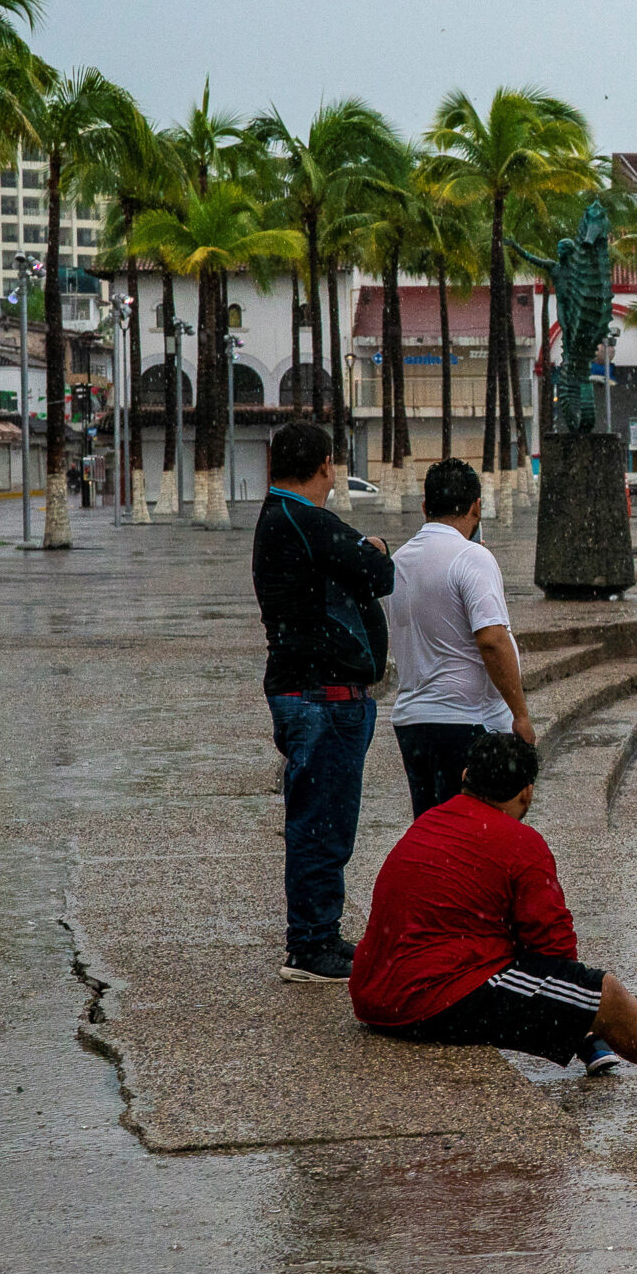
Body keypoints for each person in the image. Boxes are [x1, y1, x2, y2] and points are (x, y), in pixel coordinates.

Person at [351, 734, 637, 1104]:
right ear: (527, 792)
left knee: (553, 981)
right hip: (426, 1001)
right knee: (603, 994)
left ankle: (589, 1037)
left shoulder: (429, 821)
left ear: (466, 778)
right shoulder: (520, 843)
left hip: (376, 991)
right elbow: (554, 953)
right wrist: (585, 1010)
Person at [253, 419, 395, 984]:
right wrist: (375, 549)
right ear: (326, 467)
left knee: (321, 823)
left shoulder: (282, 519)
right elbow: (378, 573)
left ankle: (319, 934)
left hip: (312, 695)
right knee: (321, 825)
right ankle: (310, 946)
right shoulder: (305, 520)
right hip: (322, 700)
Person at [386, 459, 534, 818]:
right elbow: (492, 640)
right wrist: (520, 715)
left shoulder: (399, 561)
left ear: (425, 507)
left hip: (413, 722)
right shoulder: (472, 558)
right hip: (466, 722)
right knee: (473, 835)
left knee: (432, 830)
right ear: (476, 507)